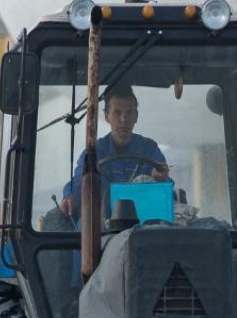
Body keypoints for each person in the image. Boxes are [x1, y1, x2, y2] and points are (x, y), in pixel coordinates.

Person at [60, 83, 171, 219]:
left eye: (129, 112)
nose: (123, 119)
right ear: (107, 116)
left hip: (142, 223)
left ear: (136, 116)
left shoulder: (150, 149)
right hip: (100, 227)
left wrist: (160, 177)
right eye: (117, 112)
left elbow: (165, 187)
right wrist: (69, 195)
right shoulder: (94, 151)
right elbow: (79, 181)